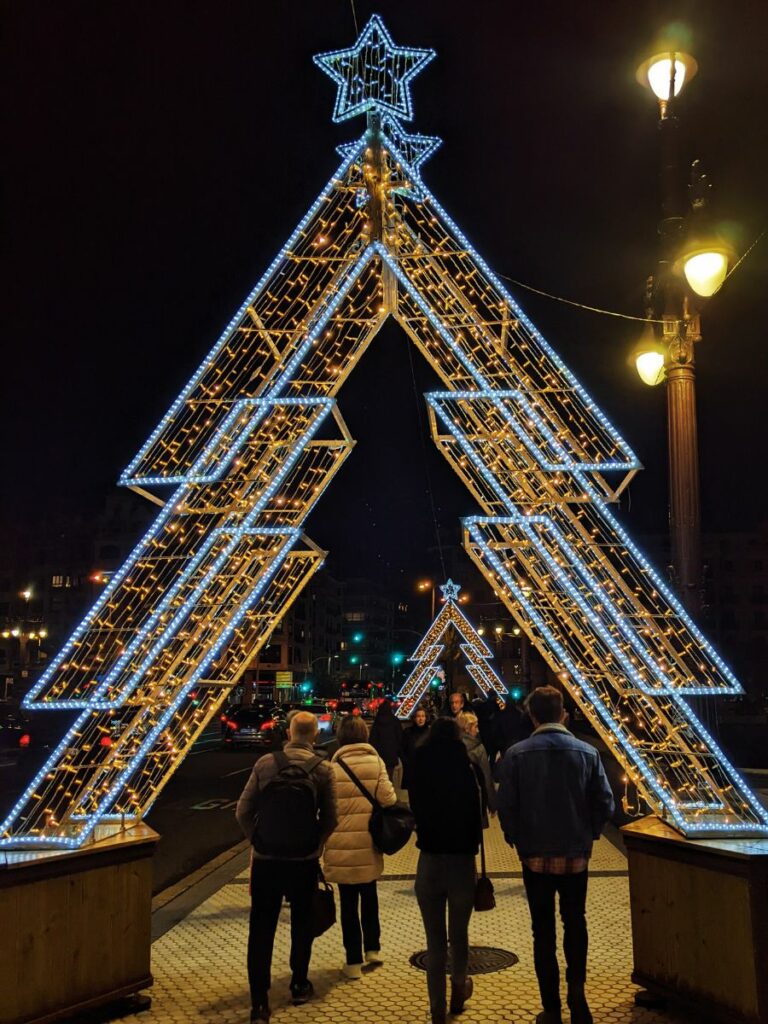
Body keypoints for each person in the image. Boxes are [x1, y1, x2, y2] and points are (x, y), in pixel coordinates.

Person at [496, 686, 615, 1024]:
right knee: (575, 923)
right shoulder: (588, 753)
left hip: (535, 857)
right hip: (575, 855)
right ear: (563, 713)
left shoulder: (517, 754)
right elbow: (605, 802)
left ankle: (551, 1007)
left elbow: (506, 806)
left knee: (543, 931)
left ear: (532, 716)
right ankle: (577, 995)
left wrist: (516, 838)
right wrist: (589, 834)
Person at [236, 711, 338, 1024]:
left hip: (267, 861)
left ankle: (259, 1003)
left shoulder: (265, 764)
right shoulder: (323, 769)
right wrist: (315, 845)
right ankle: (298, 983)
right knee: (301, 923)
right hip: (302, 862)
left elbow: (242, 811)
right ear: (315, 736)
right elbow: (332, 818)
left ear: (289, 733)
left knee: (261, 928)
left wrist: (258, 839)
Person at [409, 717, 481, 1024]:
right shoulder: (467, 767)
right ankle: (459, 989)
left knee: (434, 941)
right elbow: (475, 816)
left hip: (430, 859)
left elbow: (414, 809)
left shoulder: (418, 765)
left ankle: (437, 1008)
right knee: (459, 934)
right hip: (462, 860)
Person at [322, 715, 397, 979]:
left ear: (341, 736)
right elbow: (389, 799)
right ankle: (373, 949)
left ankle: (352, 962)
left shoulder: (331, 767)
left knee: (348, 904)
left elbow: (326, 809)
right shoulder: (375, 762)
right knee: (370, 896)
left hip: (341, 845)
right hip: (367, 841)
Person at [456, 710, 497, 826]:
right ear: (468, 728)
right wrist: (492, 804)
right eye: (475, 726)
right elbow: (486, 777)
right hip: (475, 799)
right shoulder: (478, 748)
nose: (478, 730)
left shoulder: (451, 745)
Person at [368, 699, 403, 782]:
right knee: (389, 775)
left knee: (380, 776)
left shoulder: (377, 722)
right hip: (391, 753)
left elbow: (372, 739)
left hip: (379, 755)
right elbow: (400, 738)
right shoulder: (395, 721)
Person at [401, 705, 430, 790]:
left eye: (422, 716)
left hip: (425, 768)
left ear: (426, 718)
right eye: (418, 716)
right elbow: (401, 749)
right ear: (414, 718)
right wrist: (406, 762)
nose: (420, 719)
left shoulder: (430, 732)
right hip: (411, 768)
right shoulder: (408, 732)